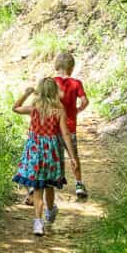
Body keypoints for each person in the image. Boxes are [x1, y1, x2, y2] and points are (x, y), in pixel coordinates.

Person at [12, 77, 73, 236]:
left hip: (35, 152)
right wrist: (73, 157)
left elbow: (15, 108)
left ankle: (38, 224)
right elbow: (65, 134)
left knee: (38, 187)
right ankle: (51, 211)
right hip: (51, 153)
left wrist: (25, 94)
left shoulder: (34, 108)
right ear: (54, 91)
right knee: (49, 185)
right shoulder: (59, 110)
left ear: (39, 91)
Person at [53, 52, 89, 199]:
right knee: (73, 155)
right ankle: (79, 184)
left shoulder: (51, 82)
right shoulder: (76, 83)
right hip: (70, 126)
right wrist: (77, 111)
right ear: (72, 67)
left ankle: (49, 182)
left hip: (53, 127)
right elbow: (85, 101)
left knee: (52, 156)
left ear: (56, 65)